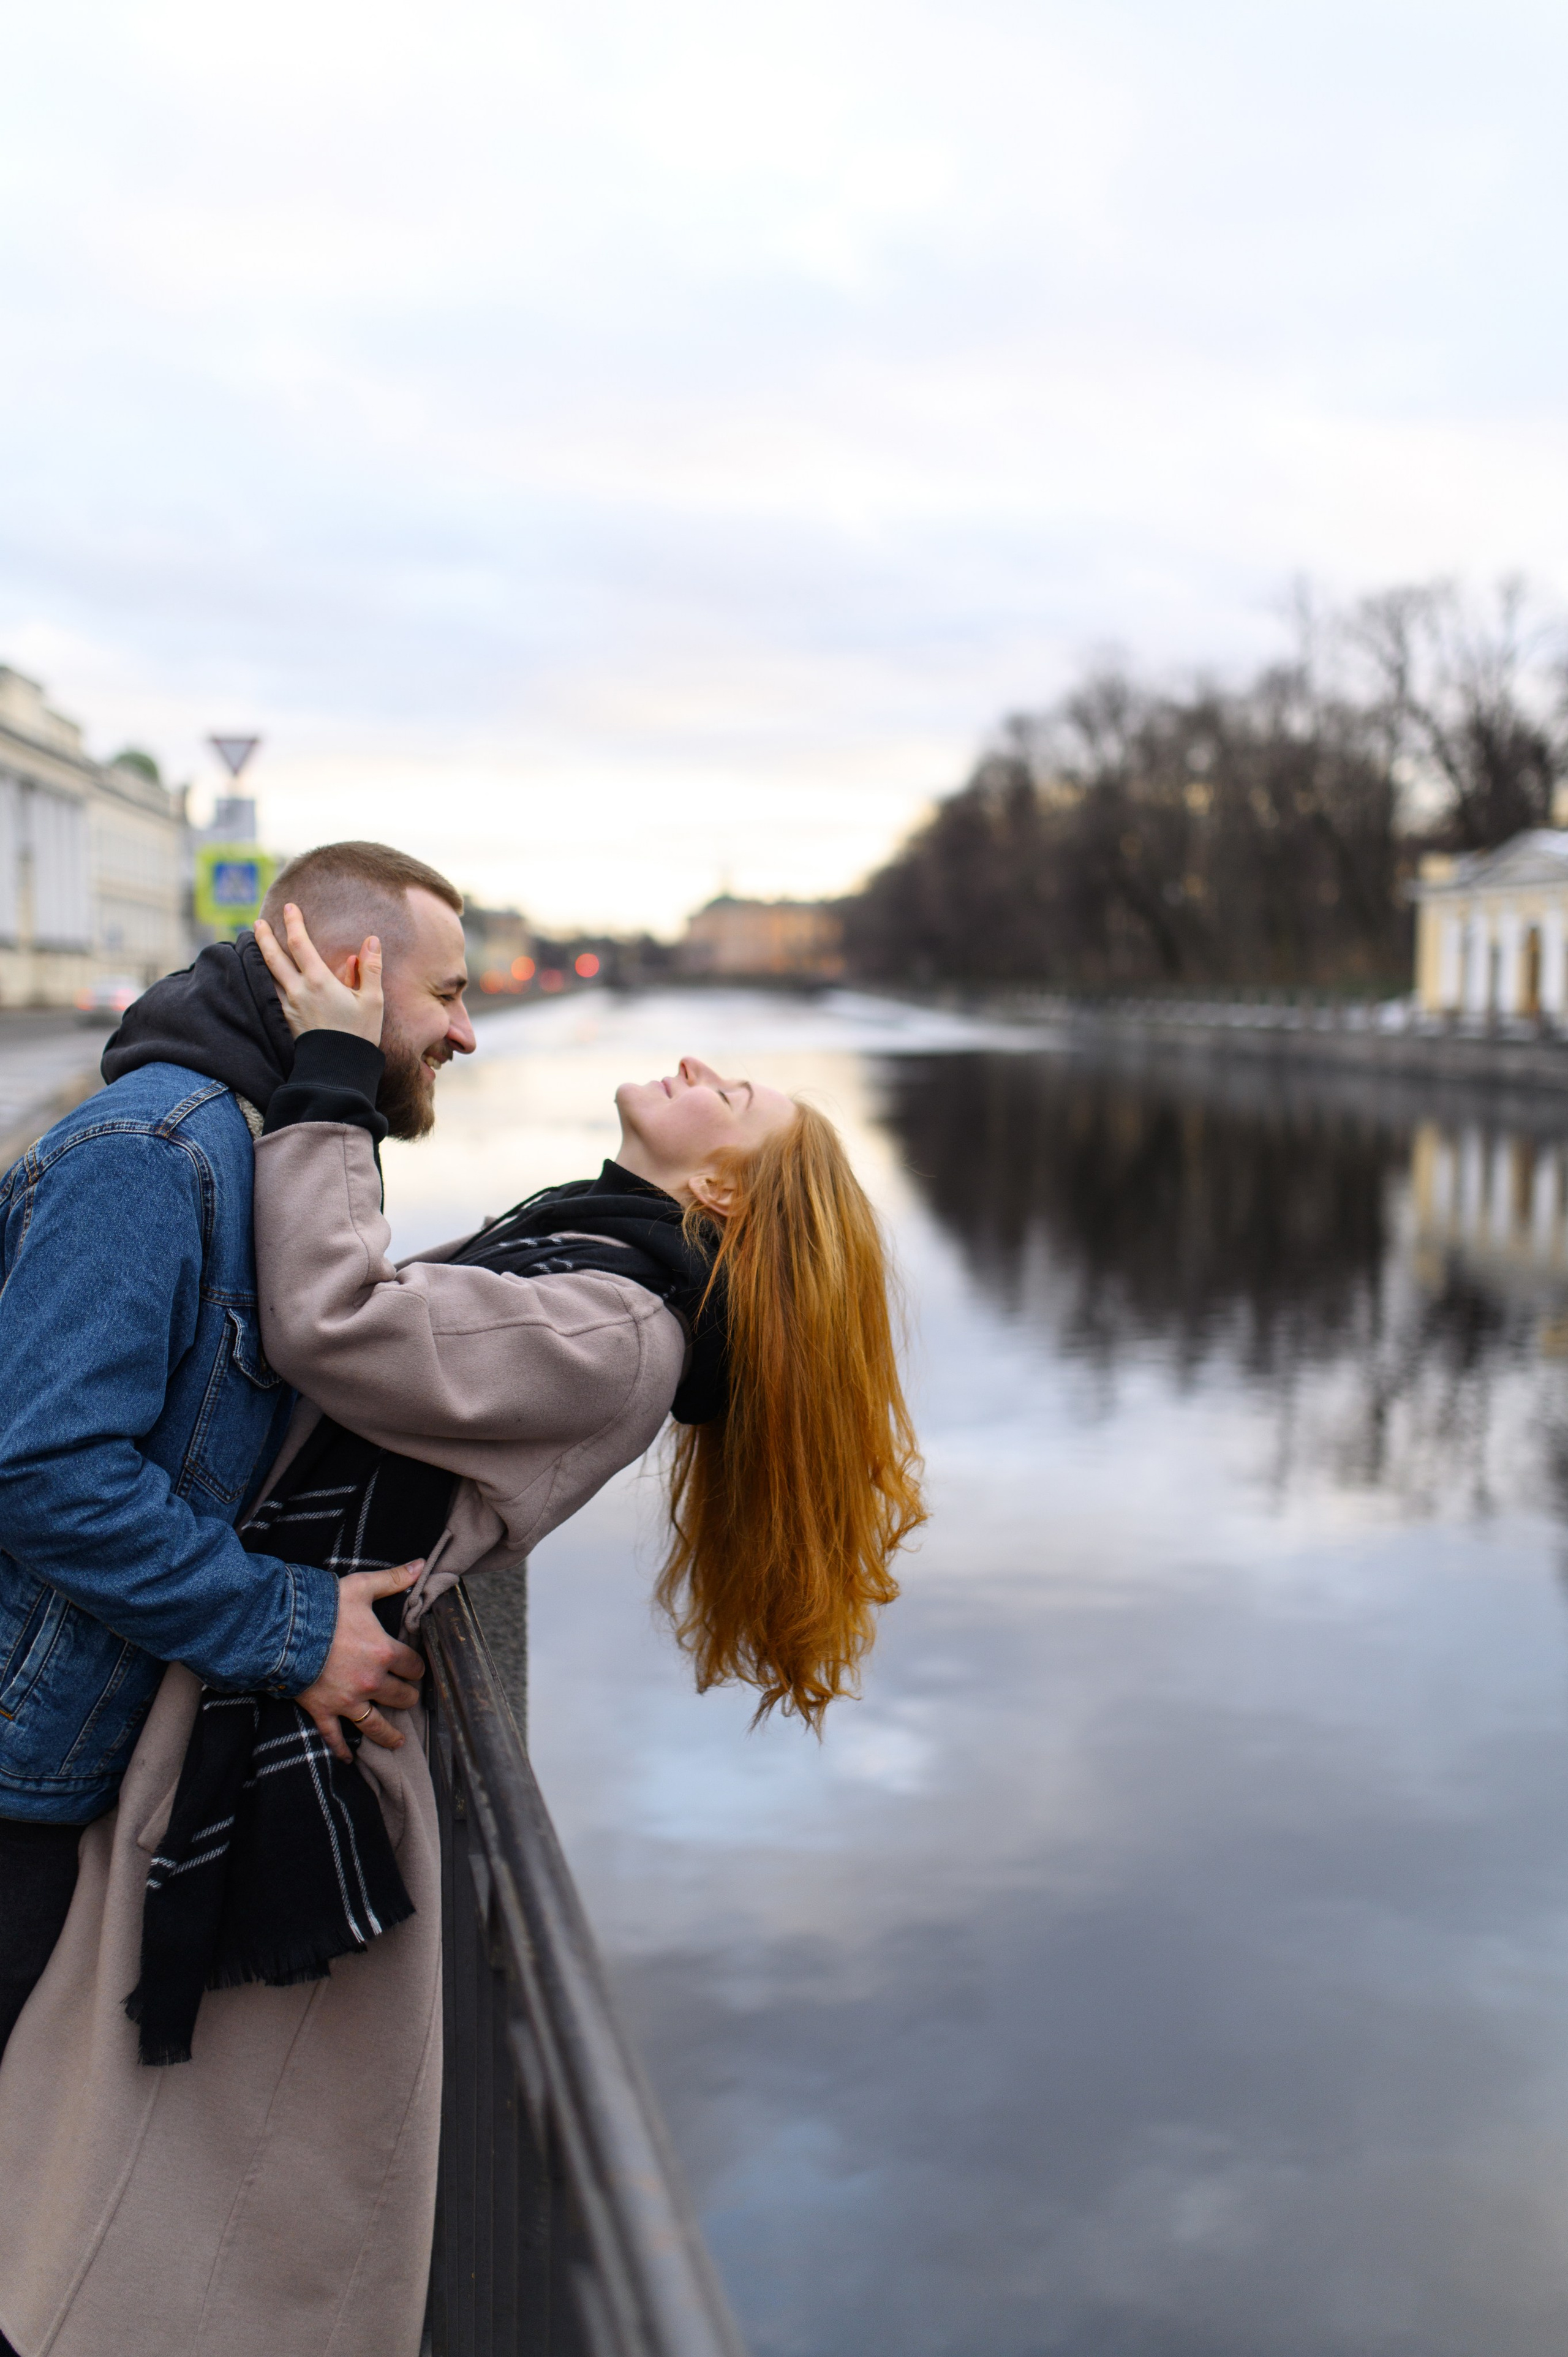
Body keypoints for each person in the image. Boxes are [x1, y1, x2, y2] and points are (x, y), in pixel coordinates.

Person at [0, 905, 925, 2357]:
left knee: (169, 2227)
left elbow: (334, 1324)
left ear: (724, 1195)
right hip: (253, 1694)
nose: (699, 1064)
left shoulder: (620, 1326)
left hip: (289, 1751)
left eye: (732, 1093)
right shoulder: (589, 1256)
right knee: (91, 2176)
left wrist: (326, 1082)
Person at [0, 843, 474, 2357]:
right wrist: (294, 1624)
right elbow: (45, 1470)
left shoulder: (254, 1137)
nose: (467, 1031)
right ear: (352, 978)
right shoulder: (159, 1150)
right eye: (448, 995)